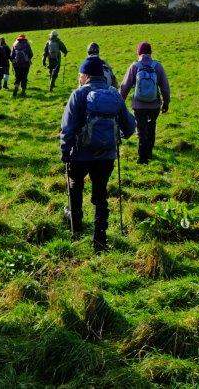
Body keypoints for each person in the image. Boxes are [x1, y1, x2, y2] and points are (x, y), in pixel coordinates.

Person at [60, 57, 136, 252]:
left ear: (85, 75)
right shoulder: (114, 95)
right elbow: (129, 127)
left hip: (80, 154)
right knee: (100, 195)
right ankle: (100, 240)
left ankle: (75, 227)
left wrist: (64, 151)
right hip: (106, 156)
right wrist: (118, 134)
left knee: (75, 186)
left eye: (80, 75)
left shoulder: (78, 94)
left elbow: (67, 128)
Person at [120, 42, 171, 165]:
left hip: (139, 105)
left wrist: (119, 102)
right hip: (154, 105)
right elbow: (165, 87)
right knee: (151, 126)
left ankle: (142, 157)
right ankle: (149, 153)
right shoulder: (157, 66)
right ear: (150, 52)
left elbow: (125, 87)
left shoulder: (135, 66)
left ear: (138, 53)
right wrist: (166, 102)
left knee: (141, 129)